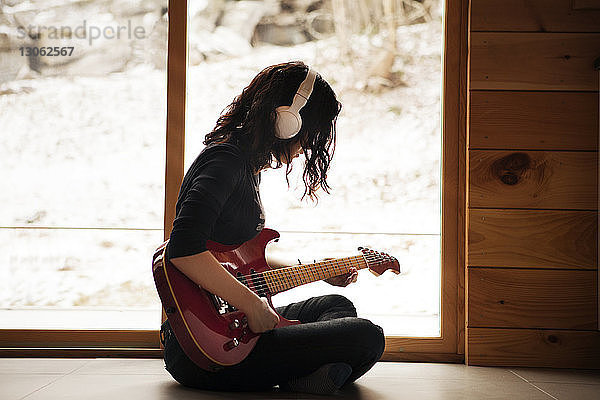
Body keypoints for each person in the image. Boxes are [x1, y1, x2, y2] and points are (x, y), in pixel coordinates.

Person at [160, 61, 385, 395]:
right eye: (307, 137)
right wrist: (252, 305)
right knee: (366, 336)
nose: (304, 149)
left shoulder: (242, 164)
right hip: (204, 352)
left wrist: (318, 270)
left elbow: (237, 264)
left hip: (231, 325)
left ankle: (307, 375)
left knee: (336, 307)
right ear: (285, 121)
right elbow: (183, 249)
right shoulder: (225, 162)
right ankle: (313, 374)